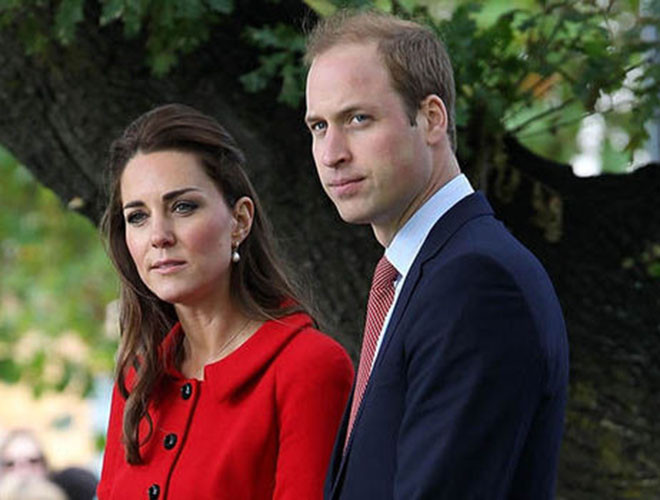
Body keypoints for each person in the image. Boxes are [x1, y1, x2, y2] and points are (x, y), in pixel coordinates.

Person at [304, 9, 569, 499]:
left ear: (431, 119)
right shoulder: (424, 273)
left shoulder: (476, 282)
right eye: (319, 126)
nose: (331, 153)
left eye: (358, 119)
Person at [97, 103, 354, 499]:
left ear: (240, 220)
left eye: (183, 207)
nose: (159, 236)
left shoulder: (309, 368)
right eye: (138, 216)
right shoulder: (138, 378)